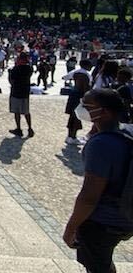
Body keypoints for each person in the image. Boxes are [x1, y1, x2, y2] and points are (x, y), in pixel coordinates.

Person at [64, 89, 133, 273]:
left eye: (87, 105)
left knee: (97, 266)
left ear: (105, 112)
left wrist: (71, 228)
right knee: (102, 263)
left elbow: (89, 196)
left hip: (101, 222)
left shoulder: (100, 144)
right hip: (125, 216)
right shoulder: (126, 136)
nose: (82, 108)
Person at [9, 52, 34, 138]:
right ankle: (30, 128)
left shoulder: (15, 69)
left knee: (17, 112)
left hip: (16, 92)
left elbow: (11, 81)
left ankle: (19, 129)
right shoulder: (30, 68)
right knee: (26, 112)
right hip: (25, 92)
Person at [65, 73, 90, 145]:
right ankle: (73, 137)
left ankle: (70, 136)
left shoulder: (77, 74)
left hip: (73, 96)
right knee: (77, 118)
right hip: (79, 97)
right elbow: (85, 88)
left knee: (72, 118)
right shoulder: (85, 76)